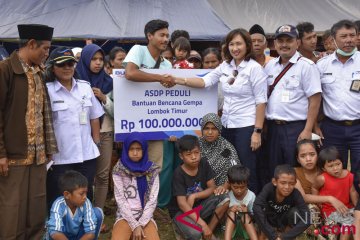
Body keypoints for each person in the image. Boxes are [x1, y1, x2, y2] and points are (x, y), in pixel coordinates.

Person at [173, 28, 268, 193]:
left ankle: (252, 207)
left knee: (246, 167)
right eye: (231, 44)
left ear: (247, 45)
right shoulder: (225, 66)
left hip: (246, 126)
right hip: (226, 125)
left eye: (239, 44)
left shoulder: (255, 68)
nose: (235, 48)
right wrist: (178, 80)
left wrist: (257, 131)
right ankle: (231, 204)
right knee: (229, 167)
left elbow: (261, 102)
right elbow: (204, 81)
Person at [0, 24, 58, 240]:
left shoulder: (39, 72)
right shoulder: (5, 69)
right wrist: (1, 153)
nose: (47, 54)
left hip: (38, 155)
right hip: (13, 155)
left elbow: (43, 113)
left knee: (35, 210)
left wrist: (48, 148)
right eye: (45, 49)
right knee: (11, 211)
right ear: (31, 44)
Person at [123, 19, 175, 208]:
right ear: (149, 36)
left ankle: (150, 206)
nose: (165, 39)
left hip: (154, 122)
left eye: (167, 36)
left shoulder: (167, 64)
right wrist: (159, 78)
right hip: (133, 121)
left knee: (155, 166)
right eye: (161, 35)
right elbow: (130, 73)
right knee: (132, 163)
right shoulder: (138, 50)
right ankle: (131, 205)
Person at [45, 46, 104, 209]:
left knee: (85, 196)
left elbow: (94, 116)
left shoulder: (85, 87)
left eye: (70, 64)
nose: (67, 68)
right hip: (60, 157)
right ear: (53, 67)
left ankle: (85, 228)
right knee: (59, 198)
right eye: (62, 65)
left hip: (86, 155)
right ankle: (59, 230)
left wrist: (96, 141)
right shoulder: (47, 90)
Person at [264, 24, 322, 180]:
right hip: (273, 128)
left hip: (296, 128)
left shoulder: (307, 66)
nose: (284, 44)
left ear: (297, 43)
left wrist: (308, 129)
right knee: (274, 168)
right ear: (274, 44)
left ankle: (298, 203)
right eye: (280, 40)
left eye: (288, 40)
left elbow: (315, 100)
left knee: (295, 169)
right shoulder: (269, 66)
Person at [316, 20, 360, 191]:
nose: (349, 40)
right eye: (343, 36)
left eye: (352, 35)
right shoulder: (322, 65)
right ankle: (338, 209)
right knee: (334, 171)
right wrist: (315, 125)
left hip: (358, 127)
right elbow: (315, 98)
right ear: (333, 39)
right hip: (332, 127)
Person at [75, 44, 114, 215]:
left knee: (103, 175)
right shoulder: (75, 80)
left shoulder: (109, 82)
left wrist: (104, 98)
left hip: (105, 132)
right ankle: (84, 210)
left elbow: (119, 111)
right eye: (94, 59)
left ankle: (98, 212)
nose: (98, 63)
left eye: (101, 59)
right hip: (82, 134)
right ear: (85, 60)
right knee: (84, 175)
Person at [171, 135, 228, 240]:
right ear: (181, 156)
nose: (194, 157)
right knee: (195, 234)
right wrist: (203, 225)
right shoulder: (178, 173)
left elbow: (212, 188)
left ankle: (209, 231)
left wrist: (194, 196)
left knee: (224, 198)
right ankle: (182, 227)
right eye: (189, 154)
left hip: (199, 207)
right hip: (182, 213)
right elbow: (182, 204)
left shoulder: (203, 163)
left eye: (196, 153)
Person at [111, 132, 161, 240]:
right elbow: (120, 200)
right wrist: (134, 225)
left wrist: (141, 223)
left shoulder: (152, 170)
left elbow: (152, 201)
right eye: (131, 149)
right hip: (124, 216)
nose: (135, 152)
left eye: (138, 149)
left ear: (144, 150)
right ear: (126, 150)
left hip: (145, 216)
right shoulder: (118, 170)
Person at [253, 164, 310, 240]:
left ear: (295, 183)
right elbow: (256, 206)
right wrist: (273, 235)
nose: (287, 187)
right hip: (269, 222)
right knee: (259, 209)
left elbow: (307, 218)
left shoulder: (296, 193)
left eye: (291, 183)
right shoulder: (269, 188)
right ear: (274, 182)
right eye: (283, 183)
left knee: (295, 212)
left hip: (285, 223)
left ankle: (287, 234)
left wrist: (284, 237)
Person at [312, 146, 358, 239]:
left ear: (342, 163)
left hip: (346, 208)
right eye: (331, 166)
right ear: (324, 168)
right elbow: (314, 188)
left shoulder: (349, 176)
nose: (335, 168)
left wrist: (357, 208)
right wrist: (317, 203)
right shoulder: (322, 178)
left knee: (355, 220)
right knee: (348, 224)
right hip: (330, 211)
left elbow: (352, 192)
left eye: (338, 164)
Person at [46, 170, 103, 240]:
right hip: (61, 237)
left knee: (97, 213)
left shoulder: (86, 202)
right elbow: (55, 232)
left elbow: (90, 232)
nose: (85, 197)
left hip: (79, 236)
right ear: (67, 195)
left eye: (86, 193)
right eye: (81, 194)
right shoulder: (59, 204)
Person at [199, 113, 240, 187]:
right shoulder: (196, 144)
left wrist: (224, 187)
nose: (210, 132)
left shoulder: (227, 148)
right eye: (206, 128)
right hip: (198, 188)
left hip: (222, 189)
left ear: (219, 130)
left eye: (214, 129)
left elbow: (235, 171)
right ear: (202, 129)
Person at [224, 165, 257, 240]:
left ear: (247, 184)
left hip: (245, 228)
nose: (239, 190)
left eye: (242, 187)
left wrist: (246, 212)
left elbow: (254, 216)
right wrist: (230, 210)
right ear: (229, 183)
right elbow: (223, 214)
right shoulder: (227, 195)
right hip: (231, 228)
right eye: (235, 187)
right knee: (232, 214)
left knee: (243, 215)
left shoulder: (251, 196)